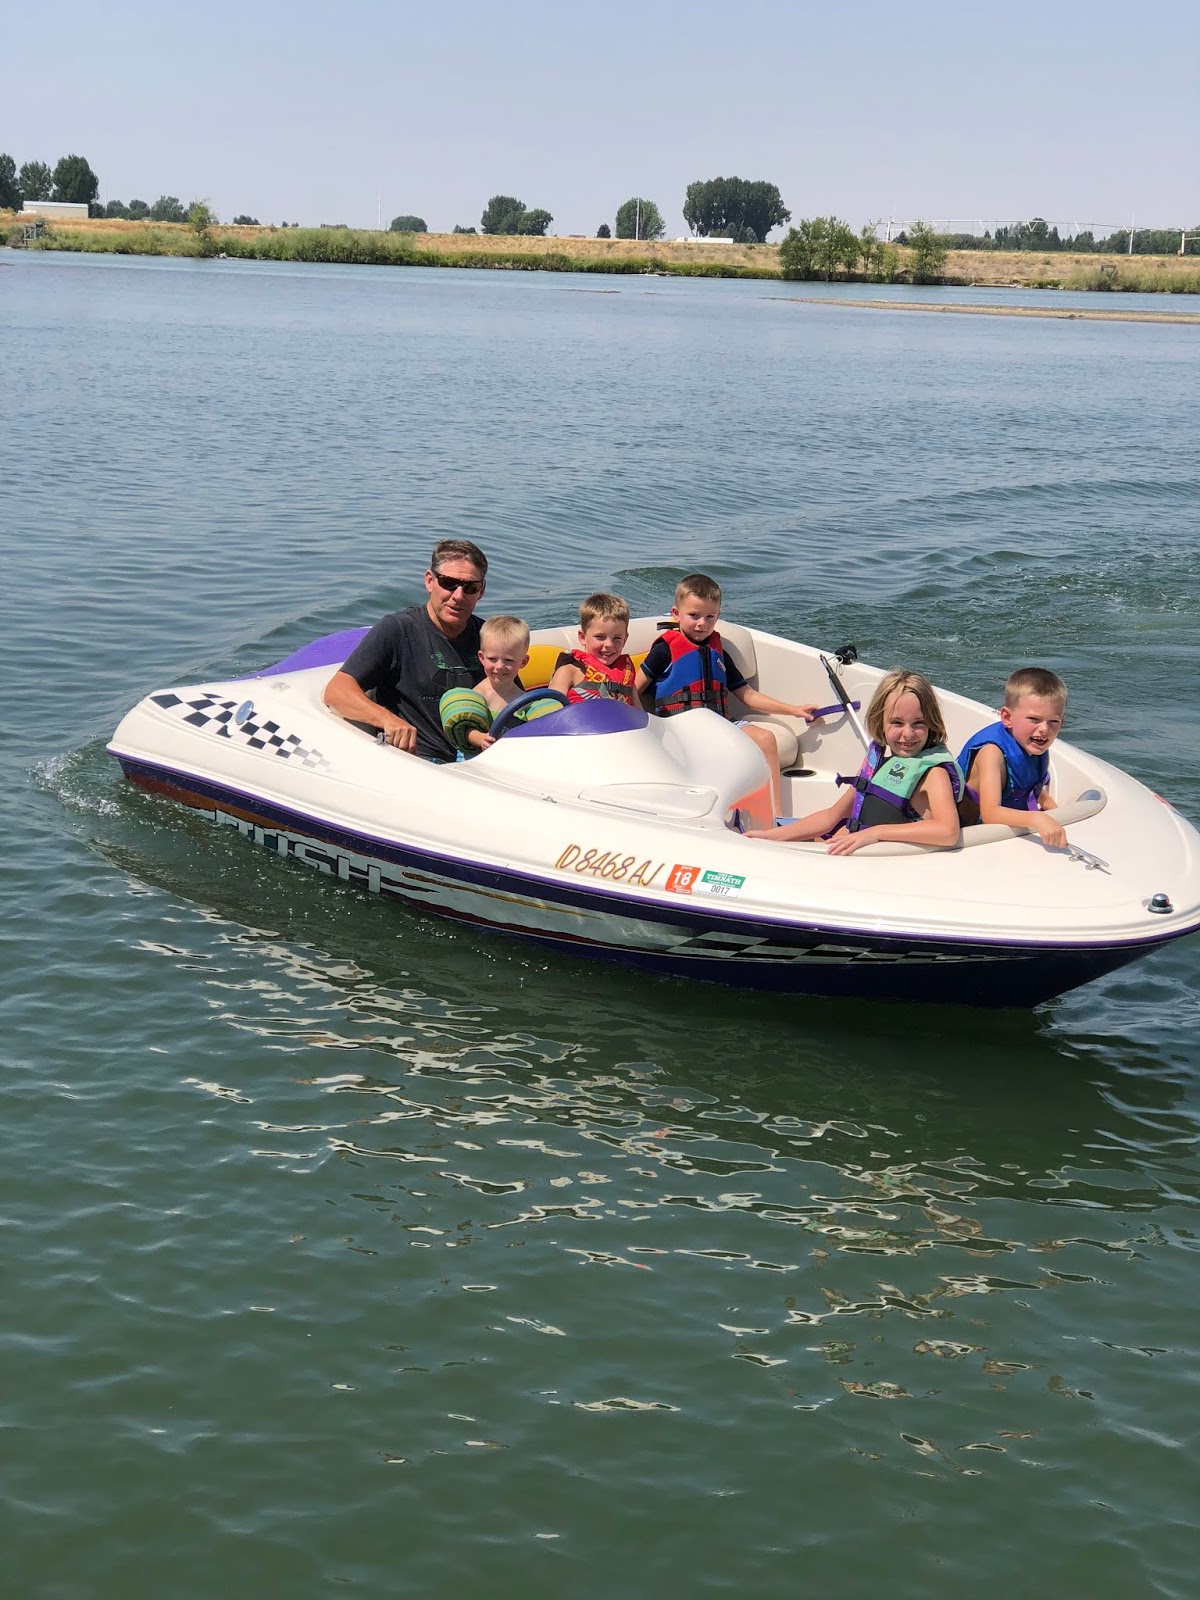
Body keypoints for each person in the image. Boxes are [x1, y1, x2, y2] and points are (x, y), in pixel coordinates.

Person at [634, 573, 818, 815]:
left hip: (721, 723)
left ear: (718, 616)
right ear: (676, 614)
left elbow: (747, 695)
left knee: (766, 739)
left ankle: (775, 817)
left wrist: (793, 710)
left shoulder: (718, 652)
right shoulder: (664, 650)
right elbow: (634, 687)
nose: (702, 624)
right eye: (694, 616)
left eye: (710, 617)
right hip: (680, 727)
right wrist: (645, 726)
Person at [745, 668, 962, 855]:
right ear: (880, 721)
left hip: (885, 863)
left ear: (931, 723)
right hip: (856, 856)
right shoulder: (879, 765)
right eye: (897, 723)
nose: (908, 734)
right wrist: (772, 835)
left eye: (918, 723)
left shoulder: (933, 774)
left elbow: (948, 831)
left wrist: (875, 833)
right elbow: (831, 817)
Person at [322, 538, 488, 762]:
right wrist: (387, 720)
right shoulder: (397, 630)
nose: (458, 596)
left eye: (470, 587)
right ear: (430, 581)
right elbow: (337, 691)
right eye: (449, 583)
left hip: (480, 762)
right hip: (418, 762)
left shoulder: (488, 637)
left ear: (481, 591)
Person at [957, 667, 1068, 849]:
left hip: (1000, 835)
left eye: (1053, 721)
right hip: (968, 838)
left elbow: (1030, 784)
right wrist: (1038, 818)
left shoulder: (1034, 743)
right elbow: (990, 813)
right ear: (1007, 717)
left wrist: (1052, 808)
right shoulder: (991, 754)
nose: (1044, 729)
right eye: (1034, 719)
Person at [459, 615, 531, 754]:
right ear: (481, 658)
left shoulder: (526, 700)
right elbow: (465, 729)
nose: (499, 666)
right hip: (478, 759)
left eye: (509, 660)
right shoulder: (477, 695)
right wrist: (480, 738)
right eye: (492, 659)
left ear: (523, 662)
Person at [549, 593, 637, 704]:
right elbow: (551, 710)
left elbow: (639, 711)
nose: (609, 644)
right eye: (600, 637)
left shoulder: (626, 675)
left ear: (625, 640)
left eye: (617, 638)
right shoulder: (568, 672)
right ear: (582, 637)